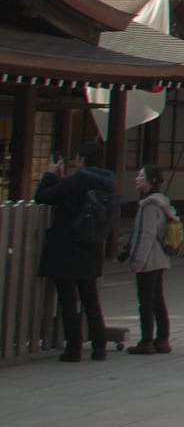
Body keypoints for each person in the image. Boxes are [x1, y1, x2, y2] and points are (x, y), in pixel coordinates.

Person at [36, 141, 115, 361]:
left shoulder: (80, 180)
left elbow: (43, 196)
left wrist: (51, 174)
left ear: (82, 159)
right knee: (90, 299)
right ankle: (99, 346)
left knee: (68, 301)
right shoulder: (106, 181)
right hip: (91, 245)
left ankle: (73, 348)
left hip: (68, 246)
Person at [123, 163, 176, 354]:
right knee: (157, 299)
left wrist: (138, 260)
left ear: (151, 181)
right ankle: (162, 339)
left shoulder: (148, 206)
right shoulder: (163, 202)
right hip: (160, 256)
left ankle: (146, 340)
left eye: (141, 176)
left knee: (146, 301)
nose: (137, 178)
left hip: (149, 258)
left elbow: (146, 234)